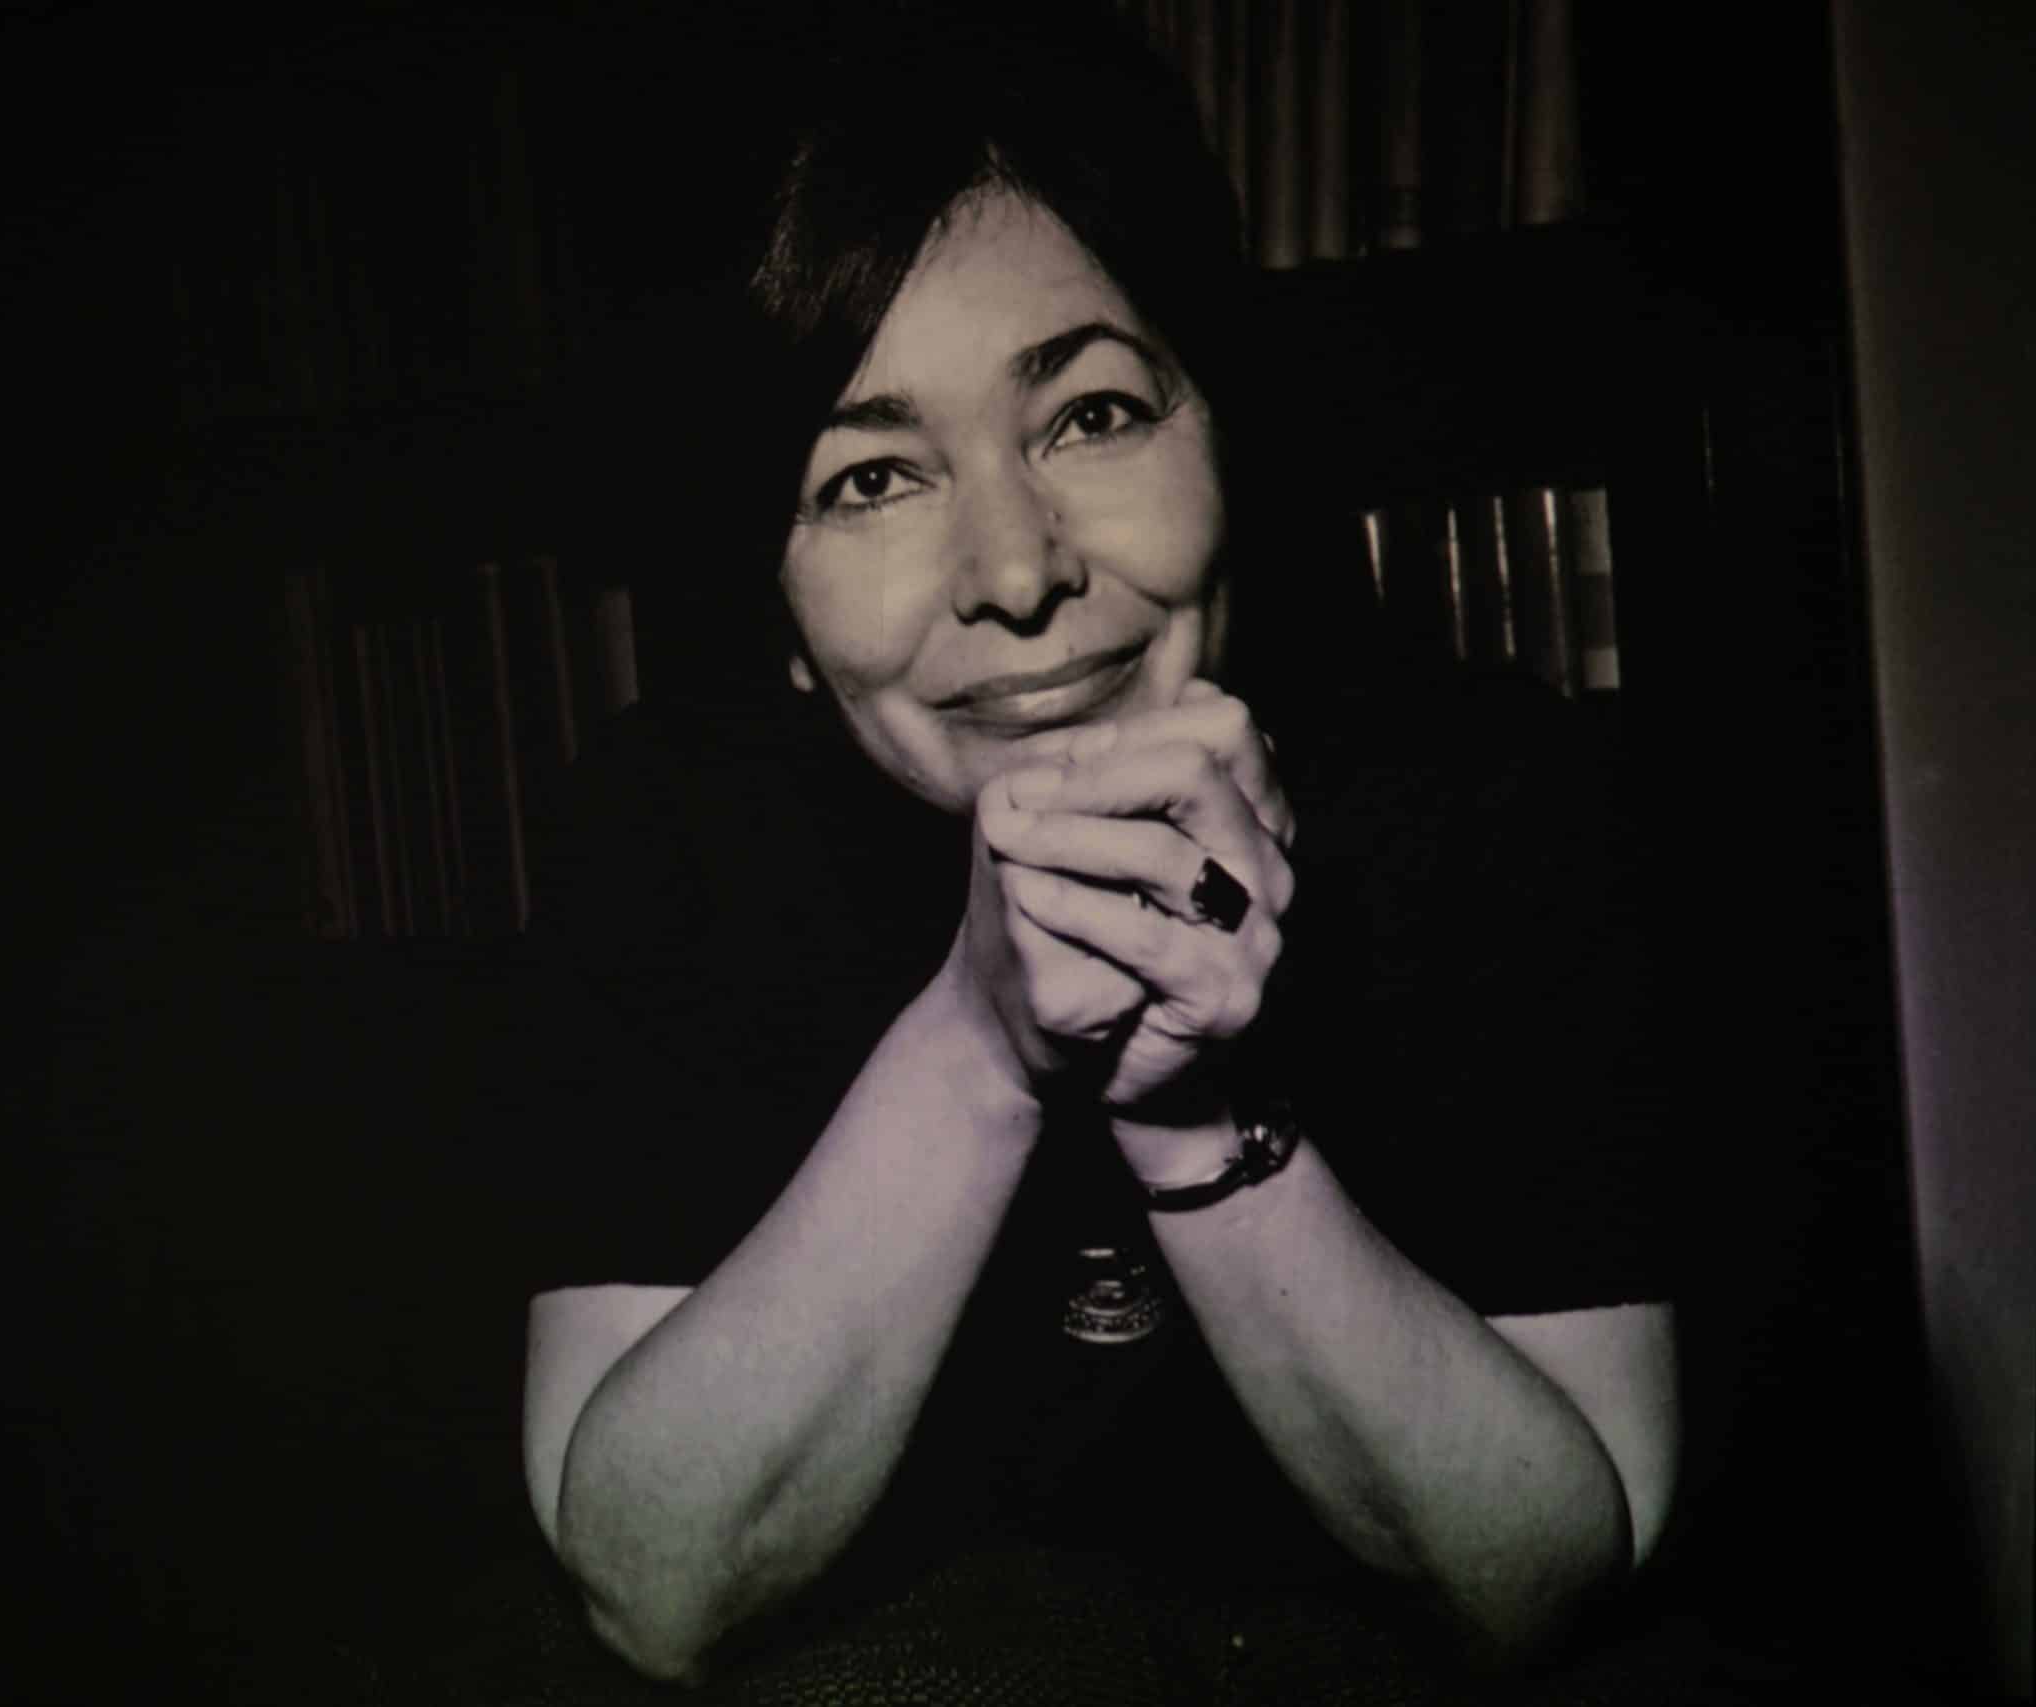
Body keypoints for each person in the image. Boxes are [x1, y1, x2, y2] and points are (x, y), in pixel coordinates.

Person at [514, 5, 1680, 1695]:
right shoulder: (667, 830)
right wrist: (980, 1044)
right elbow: (653, 1587)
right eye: (870, 480)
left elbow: (1549, 1577)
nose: (1016, 572)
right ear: (775, 606)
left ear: (1225, 437)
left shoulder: (1499, 790)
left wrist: (1185, 1108)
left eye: (1093, 416)